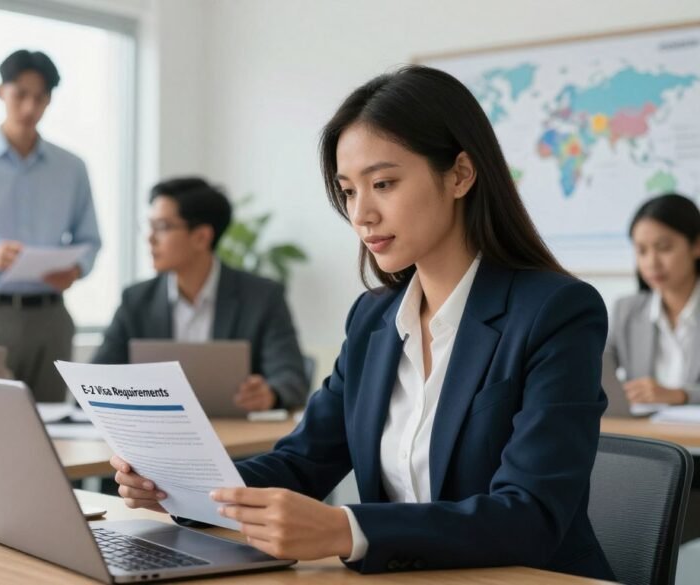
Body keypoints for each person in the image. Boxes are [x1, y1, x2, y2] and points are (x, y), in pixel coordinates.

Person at [108, 65, 614, 579]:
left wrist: (346, 530)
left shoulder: (556, 312)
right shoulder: (373, 318)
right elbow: (303, 462)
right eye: (349, 191)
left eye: (384, 183)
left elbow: (531, 515)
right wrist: (183, 486)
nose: (362, 214)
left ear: (460, 174)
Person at [0, 49, 101, 402]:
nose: (29, 108)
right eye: (20, 95)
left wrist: (76, 269)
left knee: (54, 430)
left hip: (51, 316)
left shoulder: (72, 168)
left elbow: (90, 240)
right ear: (1, 92)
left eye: (40, 98)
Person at [92, 177, 308, 410]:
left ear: (201, 237)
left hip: (238, 439)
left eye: (162, 227)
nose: (150, 238)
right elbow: (98, 376)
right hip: (155, 437)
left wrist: (270, 394)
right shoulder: (136, 300)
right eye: (149, 226)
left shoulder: (263, 297)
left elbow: (291, 377)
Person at [606, 193, 700, 406]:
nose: (652, 262)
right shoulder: (626, 310)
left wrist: (681, 395)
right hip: (646, 435)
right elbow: (597, 365)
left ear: (696, 245)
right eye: (642, 251)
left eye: (664, 248)